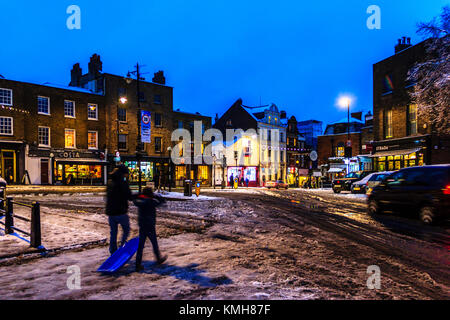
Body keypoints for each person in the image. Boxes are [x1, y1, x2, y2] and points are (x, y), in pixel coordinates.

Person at [133, 187, 167, 271]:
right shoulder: (152, 202)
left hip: (142, 225)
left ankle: (138, 264)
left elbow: (133, 199)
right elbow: (162, 201)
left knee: (140, 246)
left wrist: (139, 195)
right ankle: (158, 259)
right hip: (150, 225)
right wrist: (155, 196)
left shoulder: (140, 202)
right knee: (154, 243)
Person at [105, 165, 133, 255]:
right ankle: (122, 248)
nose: (127, 176)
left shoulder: (110, 181)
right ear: (124, 174)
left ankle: (113, 251)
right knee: (126, 229)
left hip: (111, 212)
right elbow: (129, 195)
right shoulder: (122, 182)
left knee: (113, 232)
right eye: (126, 174)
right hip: (120, 211)